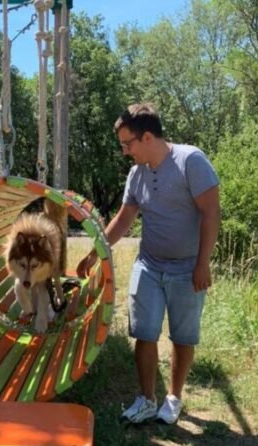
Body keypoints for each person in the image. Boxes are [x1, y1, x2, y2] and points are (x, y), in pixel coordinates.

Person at [76, 103, 221, 424]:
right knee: (144, 332)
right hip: (149, 265)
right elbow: (125, 217)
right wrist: (95, 252)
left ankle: (174, 397)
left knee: (184, 336)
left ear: (147, 137)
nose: (125, 152)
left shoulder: (190, 161)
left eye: (128, 144)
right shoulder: (136, 174)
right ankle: (146, 399)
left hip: (187, 268)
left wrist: (203, 263)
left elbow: (211, 212)